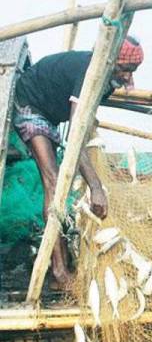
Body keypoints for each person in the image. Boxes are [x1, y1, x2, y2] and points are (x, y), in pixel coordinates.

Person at [13, 36, 144, 288]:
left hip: (50, 116)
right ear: (109, 61)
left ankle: (61, 259)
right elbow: (76, 136)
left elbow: (86, 119)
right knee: (54, 182)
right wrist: (96, 187)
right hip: (30, 106)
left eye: (133, 71)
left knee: (60, 182)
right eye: (125, 69)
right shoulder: (90, 74)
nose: (128, 77)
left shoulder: (109, 79)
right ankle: (59, 273)